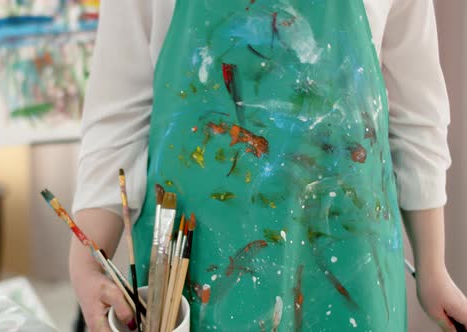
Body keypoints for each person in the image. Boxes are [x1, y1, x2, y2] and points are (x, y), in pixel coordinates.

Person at [70, 0, 467, 331]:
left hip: (350, 263)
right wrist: (87, 261)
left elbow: (416, 113)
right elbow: (118, 115)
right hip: (197, 267)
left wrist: (432, 267)